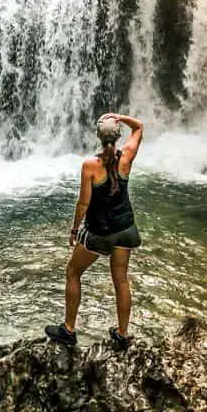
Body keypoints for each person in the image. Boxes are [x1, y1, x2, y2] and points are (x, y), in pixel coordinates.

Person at [46, 112, 144, 350]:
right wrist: (118, 116)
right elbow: (139, 127)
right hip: (126, 229)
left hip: (100, 233)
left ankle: (68, 330)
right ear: (118, 136)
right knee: (121, 280)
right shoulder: (126, 159)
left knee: (72, 272)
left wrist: (74, 229)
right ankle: (122, 334)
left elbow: (83, 203)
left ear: (98, 137)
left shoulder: (90, 166)